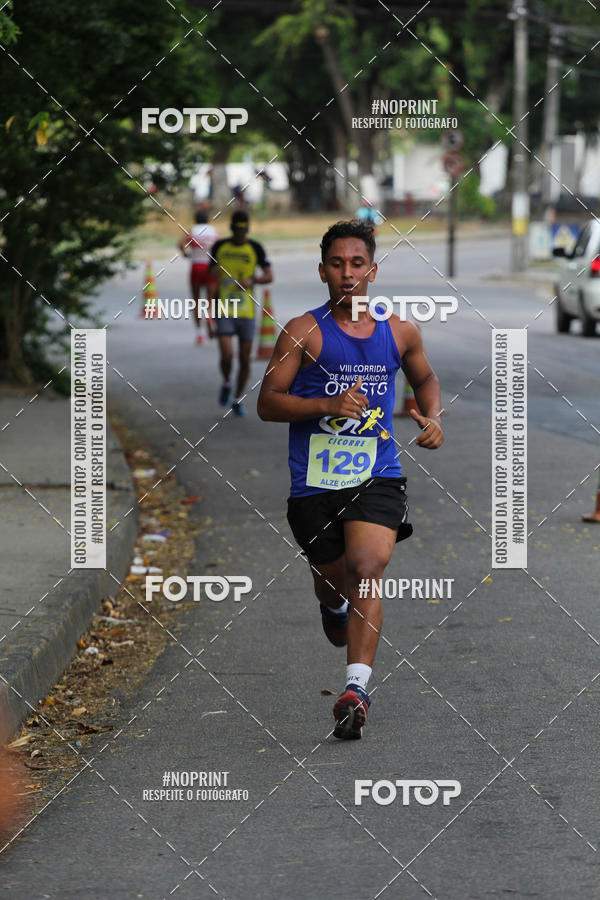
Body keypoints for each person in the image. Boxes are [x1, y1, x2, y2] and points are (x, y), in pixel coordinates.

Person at [257, 219, 444, 739]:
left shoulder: (399, 330)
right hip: (314, 484)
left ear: (373, 270)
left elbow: (425, 377)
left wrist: (432, 416)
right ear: (322, 271)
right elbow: (267, 403)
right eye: (337, 264)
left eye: (356, 264)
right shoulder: (303, 331)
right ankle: (333, 604)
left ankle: (356, 689)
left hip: (377, 473)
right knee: (332, 579)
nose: (347, 274)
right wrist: (326, 404)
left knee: (368, 567)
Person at [210, 210, 273, 416]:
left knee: (245, 359)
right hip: (224, 309)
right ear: (232, 229)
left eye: (243, 231)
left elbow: (269, 275)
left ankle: (237, 398)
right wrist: (208, 313)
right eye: (237, 231)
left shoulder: (255, 248)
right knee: (227, 355)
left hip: (246, 311)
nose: (240, 234)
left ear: (247, 229)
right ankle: (227, 382)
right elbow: (210, 279)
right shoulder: (219, 247)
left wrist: (252, 280)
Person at [178, 209, 218, 343]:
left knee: (196, 301)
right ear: (208, 219)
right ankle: (210, 321)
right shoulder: (213, 231)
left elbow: (180, 244)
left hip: (196, 266)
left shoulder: (192, 230)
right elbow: (218, 246)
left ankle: (199, 333)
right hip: (210, 267)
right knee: (210, 300)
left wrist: (186, 254)